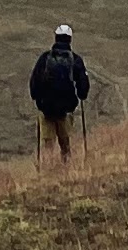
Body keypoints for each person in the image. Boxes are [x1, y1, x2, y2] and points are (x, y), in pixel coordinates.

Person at [27, 24, 92, 165]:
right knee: (65, 143)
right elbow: (83, 84)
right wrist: (81, 95)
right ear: (70, 39)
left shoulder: (44, 58)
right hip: (66, 109)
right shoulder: (75, 60)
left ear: (56, 37)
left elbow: (34, 80)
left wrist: (36, 98)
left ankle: (48, 169)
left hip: (46, 108)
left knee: (48, 144)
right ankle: (65, 168)